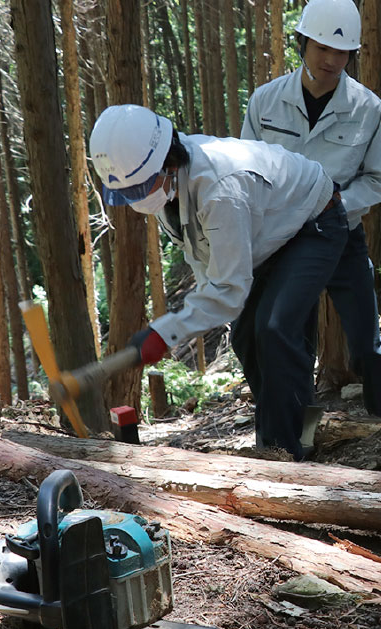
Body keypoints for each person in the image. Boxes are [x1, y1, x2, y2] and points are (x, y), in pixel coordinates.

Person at [89, 103, 349, 461]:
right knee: (246, 338)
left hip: (314, 222)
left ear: (168, 162)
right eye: (129, 192)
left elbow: (228, 290)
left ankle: (285, 453)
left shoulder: (221, 189)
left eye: (140, 187)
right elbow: (208, 262)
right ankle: (292, 433)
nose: (136, 199)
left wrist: (168, 331)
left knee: (274, 330)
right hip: (266, 235)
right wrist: (178, 325)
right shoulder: (171, 190)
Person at [241, 0, 381, 418]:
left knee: (366, 342)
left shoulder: (368, 109)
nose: (331, 60)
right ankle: (295, 435)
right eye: (321, 48)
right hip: (283, 240)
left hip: (342, 234)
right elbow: (247, 172)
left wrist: (339, 203)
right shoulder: (266, 102)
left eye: (341, 51)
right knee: (282, 334)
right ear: (302, 43)